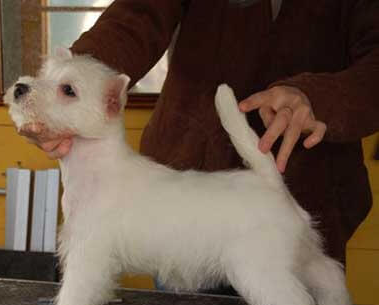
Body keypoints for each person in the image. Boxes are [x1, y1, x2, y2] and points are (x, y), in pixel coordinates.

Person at [20, 0, 379, 263]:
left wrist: (317, 98)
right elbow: (137, 16)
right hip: (183, 184)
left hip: (305, 188)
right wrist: (73, 83)